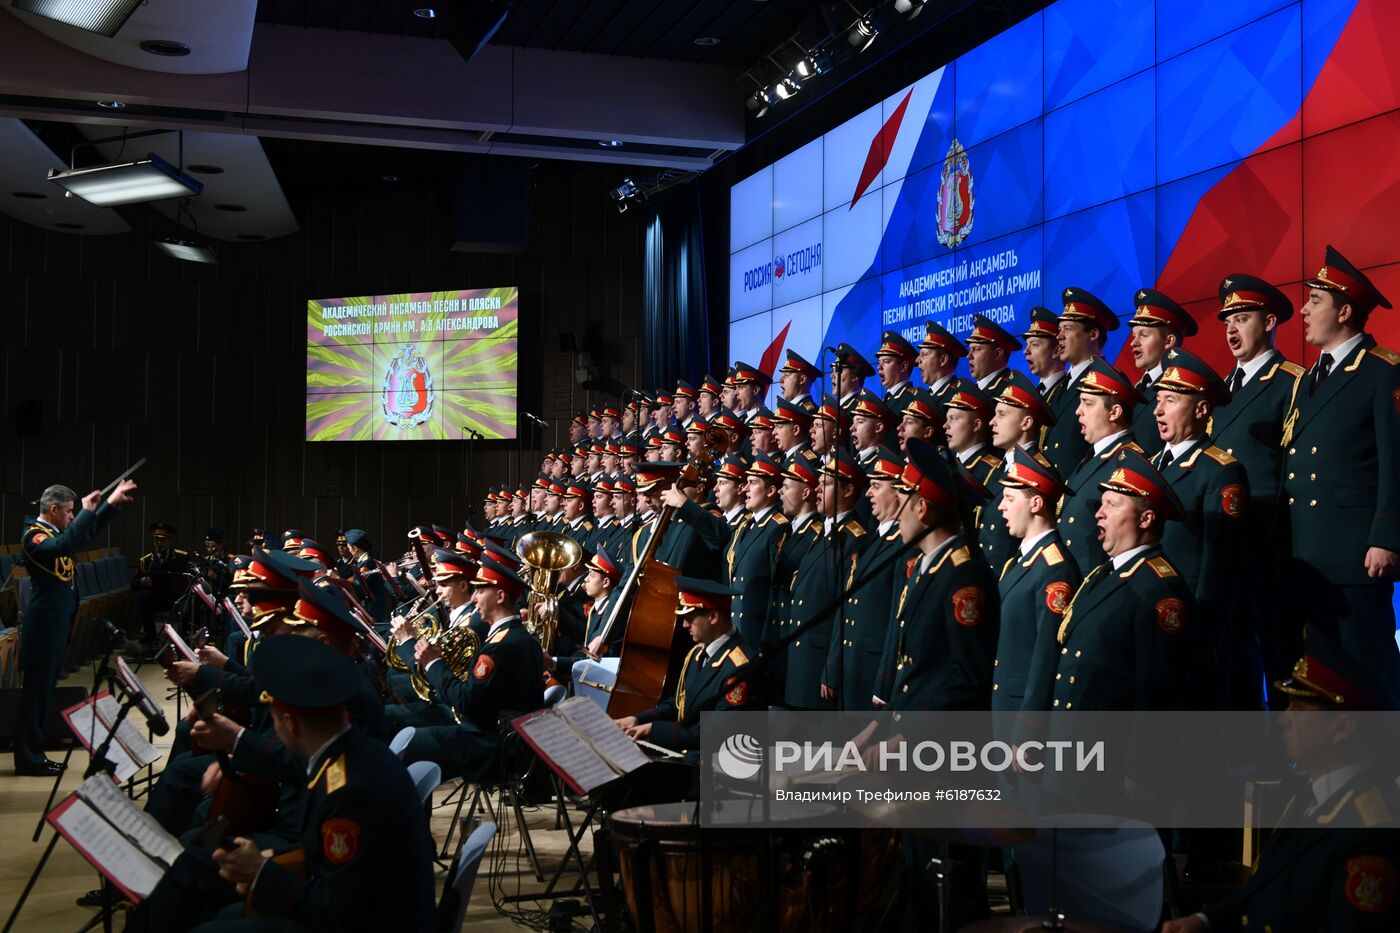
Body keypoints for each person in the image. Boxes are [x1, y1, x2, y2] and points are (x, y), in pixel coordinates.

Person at [190, 635, 436, 933]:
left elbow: (339, 912)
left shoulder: (347, 792)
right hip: (370, 906)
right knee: (225, 916)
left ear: (290, 723)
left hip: (366, 922)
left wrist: (262, 873)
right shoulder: (353, 753)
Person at [1163, 634, 1400, 933]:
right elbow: (1265, 893)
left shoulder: (1372, 832)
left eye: (1299, 710)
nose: (1283, 720)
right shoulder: (1308, 796)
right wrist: (1205, 921)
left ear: (1343, 728)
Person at [1282, 245, 1400, 684]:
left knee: (1367, 671)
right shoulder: (1308, 379)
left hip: (1355, 558)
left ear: (1345, 310)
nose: (1304, 310)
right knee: (1320, 678)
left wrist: (1387, 537)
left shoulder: (1382, 371)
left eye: (1316, 301)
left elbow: (1395, 461)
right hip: (1307, 556)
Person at [1211, 274, 1306, 691]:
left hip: (1269, 541)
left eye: (1242, 318)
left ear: (1269, 322)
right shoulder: (1216, 391)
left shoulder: (1293, 382)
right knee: (1229, 657)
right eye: (1227, 320)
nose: (1231, 329)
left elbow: (1294, 471)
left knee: (1279, 653)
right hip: (1222, 541)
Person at [1052, 449, 1194, 712]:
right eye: (1102, 502)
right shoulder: (1102, 574)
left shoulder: (1160, 590)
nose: (1099, 513)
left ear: (1146, 518)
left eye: (1113, 504)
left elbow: (1155, 702)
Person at [14, 478, 136, 775]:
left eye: (73, 513)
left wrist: (108, 506)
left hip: (55, 628)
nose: (72, 517)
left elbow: (85, 533)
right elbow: (66, 543)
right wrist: (87, 510)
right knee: (35, 698)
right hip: (42, 629)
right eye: (69, 512)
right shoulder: (34, 537)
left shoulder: (55, 532)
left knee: (43, 696)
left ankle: (35, 754)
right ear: (53, 510)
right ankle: (28, 758)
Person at [1151, 348, 1250, 706]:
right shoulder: (1148, 467)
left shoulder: (1220, 471)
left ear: (1202, 409)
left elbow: (1219, 565)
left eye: (1171, 400)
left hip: (1188, 622)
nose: (1158, 410)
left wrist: (1206, 635)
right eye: (1158, 400)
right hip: (1146, 617)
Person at [400, 555, 544, 780]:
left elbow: (467, 702)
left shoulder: (499, 646)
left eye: (479, 591)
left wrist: (433, 663)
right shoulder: (523, 638)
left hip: (488, 747)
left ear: (499, 596)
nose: (473, 598)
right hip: (506, 742)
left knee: (406, 744)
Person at [615, 576, 762, 761]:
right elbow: (678, 705)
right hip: (688, 757)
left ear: (713, 617)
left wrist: (654, 729)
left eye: (689, 618)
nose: (684, 624)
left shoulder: (740, 666)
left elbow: (718, 732)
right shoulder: (697, 654)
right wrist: (638, 719)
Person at [992, 449, 1080, 713]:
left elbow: (1046, 656)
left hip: (1020, 712)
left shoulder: (1055, 569)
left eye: (1009, 498)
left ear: (1036, 504)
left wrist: (1028, 730)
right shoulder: (1019, 561)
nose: (1001, 506)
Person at [1056, 358, 1146, 572]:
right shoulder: (1094, 457)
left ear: (1114, 412)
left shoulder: (1128, 464)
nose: (1078, 411)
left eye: (1088, 403)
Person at [1043, 287, 1120, 478]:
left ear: (1093, 334)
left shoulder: (1108, 382)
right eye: (1059, 330)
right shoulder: (1059, 386)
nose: (1059, 336)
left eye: (1067, 329)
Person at [1126, 288, 1196, 456]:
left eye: (1143, 335)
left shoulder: (1182, 391)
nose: (1133, 343)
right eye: (1133, 335)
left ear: (1168, 341)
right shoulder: (1135, 389)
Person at [132, 521, 190, 649]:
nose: (159, 543)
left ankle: (183, 638)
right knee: (143, 596)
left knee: (188, 602)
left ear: (169, 541)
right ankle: (151, 637)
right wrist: (142, 581)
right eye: (156, 540)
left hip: (176, 597)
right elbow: (133, 584)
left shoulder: (181, 557)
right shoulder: (147, 560)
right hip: (156, 598)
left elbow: (188, 580)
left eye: (163, 540)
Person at [916, 319, 968, 411]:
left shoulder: (958, 398)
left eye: (924, 354)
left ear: (943, 360)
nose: (917, 360)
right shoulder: (922, 398)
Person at [965, 312, 1020, 397]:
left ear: (997, 354)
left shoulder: (1010, 393)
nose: (969, 356)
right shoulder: (970, 392)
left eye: (976, 349)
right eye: (970, 349)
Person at [874, 330, 919, 416]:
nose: (879, 367)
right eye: (879, 362)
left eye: (886, 362)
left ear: (903, 367)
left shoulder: (912, 400)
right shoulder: (886, 399)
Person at [778, 349, 822, 413]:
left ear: (802, 380)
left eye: (787, 374)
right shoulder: (789, 409)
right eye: (782, 374)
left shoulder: (809, 413)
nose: (780, 380)